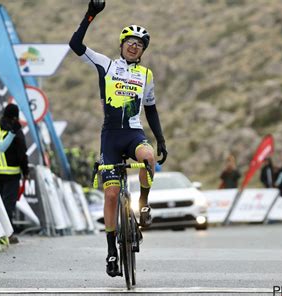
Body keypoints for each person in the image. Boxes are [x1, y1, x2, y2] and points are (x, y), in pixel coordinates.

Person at [70, 0, 168, 277]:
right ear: (122, 44)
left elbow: (151, 109)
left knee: (148, 158)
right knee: (111, 194)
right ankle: (112, 251)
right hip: (110, 137)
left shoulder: (146, 75)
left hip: (134, 133)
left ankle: (144, 203)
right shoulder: (106, 65)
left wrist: (160, 140)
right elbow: (75, 45)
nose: (134, 46)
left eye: (140, 44)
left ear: (143, 50)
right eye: (130, 42)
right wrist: (90, 15)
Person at [0, 104, 29, 244]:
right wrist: (25, 172)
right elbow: (22, 153)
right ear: (15, 116)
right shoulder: (16, 130)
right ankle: (7, 234)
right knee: (8, 204)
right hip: (12, 173)